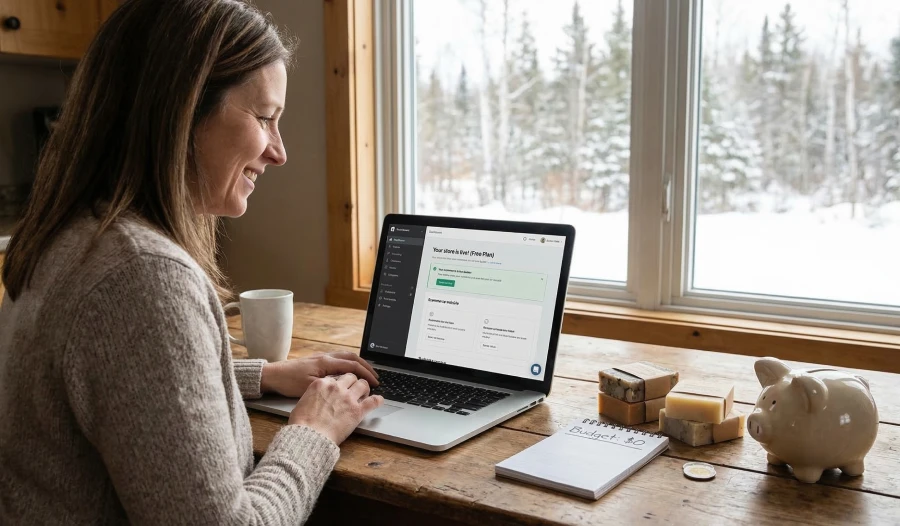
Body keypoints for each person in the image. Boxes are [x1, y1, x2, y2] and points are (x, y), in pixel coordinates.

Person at [0, 0, 384, 523]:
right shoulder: (142, 275)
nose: (279, 151)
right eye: (266, 118)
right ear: (182, 110)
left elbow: (120, 382)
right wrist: (314, 430)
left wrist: (260, 375)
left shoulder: (73, 236)